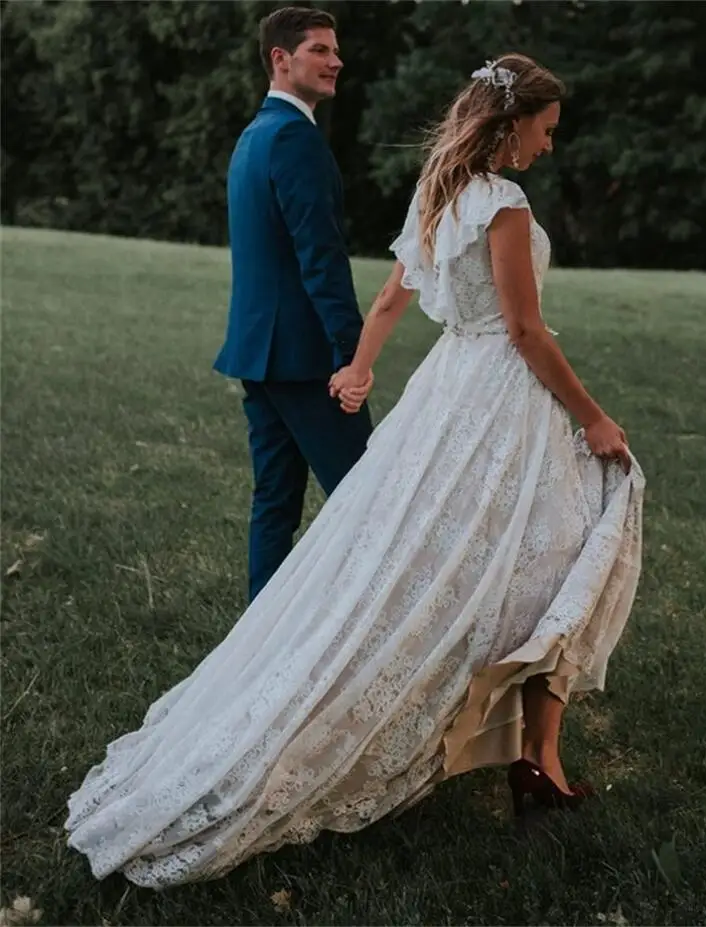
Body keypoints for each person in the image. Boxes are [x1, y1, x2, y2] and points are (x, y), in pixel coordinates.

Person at [65, 53, 644, 890]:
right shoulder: (505, 204)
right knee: (564, 550)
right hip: (496, 396)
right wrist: (592, 416)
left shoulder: (440, 194)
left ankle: (534, 753)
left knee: (500, 555)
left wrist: (364, 368)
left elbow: (388, 300)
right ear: (513, 124)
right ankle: (531, 752)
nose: (550, 148)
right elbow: (524, 330)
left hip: (444, 390)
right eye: (547, 132)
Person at [213, 7, 373, 602]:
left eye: (335, 50)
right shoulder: (295, 140)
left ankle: (257, 646)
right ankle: (357, 639)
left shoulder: (255, 136)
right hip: (307, 360)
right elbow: (321, 259)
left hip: (259, 353)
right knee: (367, 501)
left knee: (274, 504)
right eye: (319, 50)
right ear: (281, 59)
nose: (336, 61)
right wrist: (353, 356)